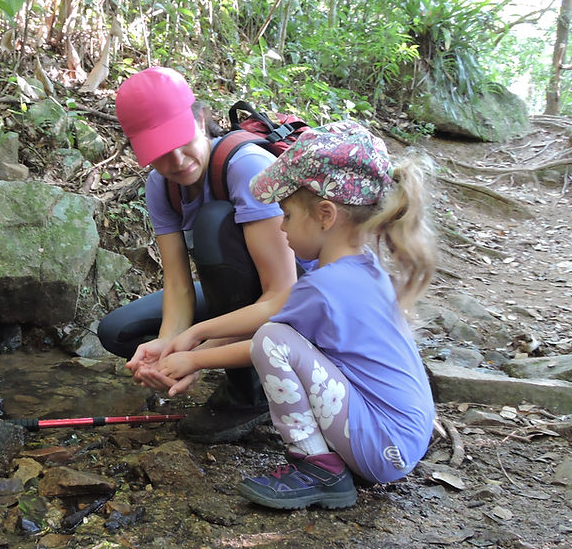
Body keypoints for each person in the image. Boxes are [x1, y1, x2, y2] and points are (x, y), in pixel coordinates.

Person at [156, 120, 437, 510]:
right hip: (403, 440)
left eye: (286, 215)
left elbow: (266, 344)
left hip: (384, 446)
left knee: (275, 339)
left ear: (325, 214)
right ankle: (335, 460)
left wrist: (193, 357)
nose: (282, 229)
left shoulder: (324, 286)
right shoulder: (365, 268)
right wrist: (195, 333)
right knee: (278, 337)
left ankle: (318, 467)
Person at [98, 66, 299, 444]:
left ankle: (250, 394)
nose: (176, 160)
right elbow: (177, 285)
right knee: (119, 331)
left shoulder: (247, 168)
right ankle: (240, 368)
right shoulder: (161, 186)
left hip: (299, 300)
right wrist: (167, 352)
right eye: (159, 152)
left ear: (202, 119)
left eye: (182, 139)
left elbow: (282, 296)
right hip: (238, 298)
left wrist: (196, 354)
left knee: (212, 223)